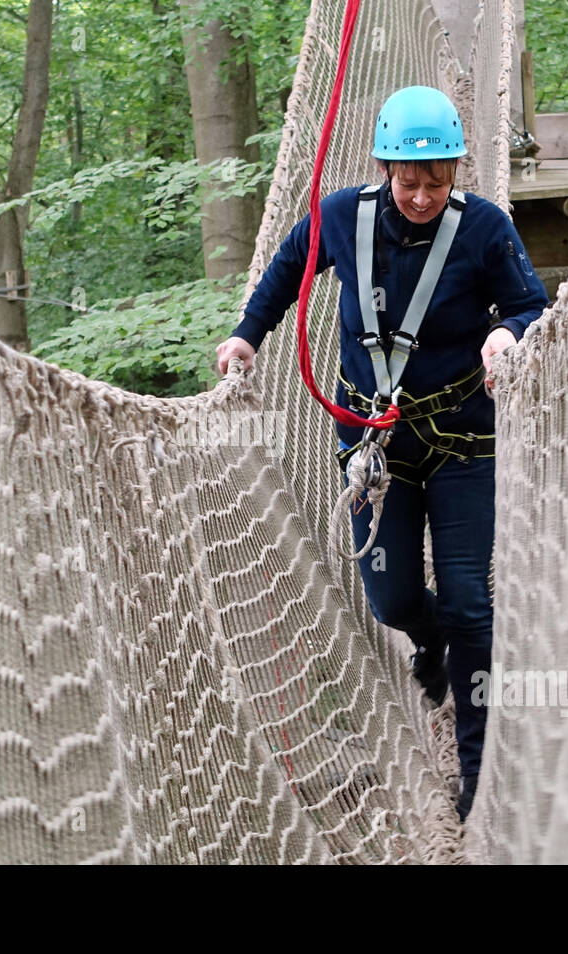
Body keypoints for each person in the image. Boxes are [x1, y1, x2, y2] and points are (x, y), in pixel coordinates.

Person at [213, 86, 548, 821]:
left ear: (457, 171)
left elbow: (532, 303)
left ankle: (479, 779)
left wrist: (508, 334)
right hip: (374, 446)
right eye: (409, 180)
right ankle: (426, 645)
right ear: (384, 169)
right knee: (393, 600)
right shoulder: (341, 219)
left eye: (438, 180)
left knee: (469, 601)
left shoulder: (485, 229)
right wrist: (246, 335)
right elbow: (284, 273)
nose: (424, 195)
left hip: (464, 440)